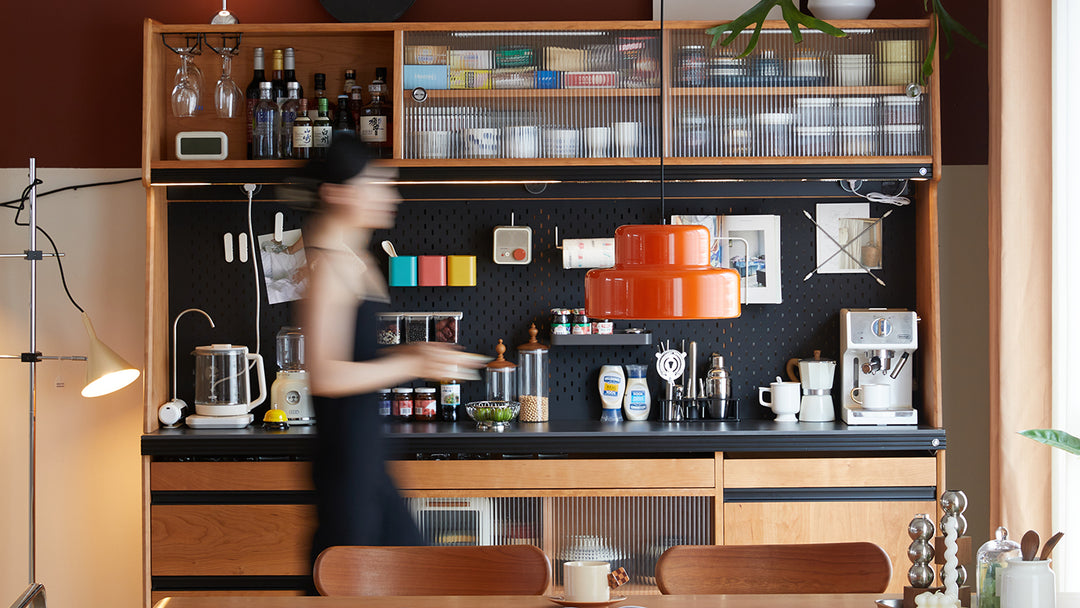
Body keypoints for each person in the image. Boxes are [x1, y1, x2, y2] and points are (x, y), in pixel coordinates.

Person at [297, 135, 482, 564]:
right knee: (354, 583)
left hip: (364, 456)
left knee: (404, 577)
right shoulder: (326, 265)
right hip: (347, 463)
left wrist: (415, 352)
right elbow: (324, 375)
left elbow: (355, 358)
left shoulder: (353, 259)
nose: (392, 195)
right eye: (378, 184)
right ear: (338, 193)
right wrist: (410, 362)